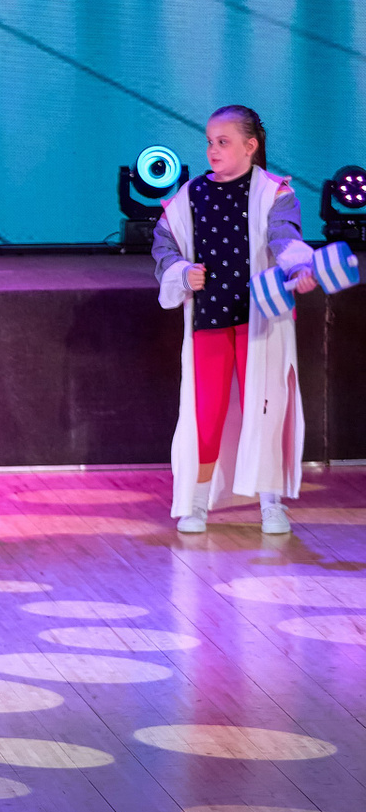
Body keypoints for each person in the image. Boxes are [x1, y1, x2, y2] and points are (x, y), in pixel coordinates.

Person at [151, 105, 313, 536]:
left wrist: (300, 266)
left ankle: (271, 504)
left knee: (266, 407)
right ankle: (197, 502)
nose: (213, 150)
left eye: (223, 142)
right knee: (206, 413)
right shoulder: (190, 196)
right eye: (209, 141)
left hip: (260, 320)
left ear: (250, 146)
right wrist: (182, 272)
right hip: (210, 319)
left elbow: (285, 237)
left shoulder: (274, 193)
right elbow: (164, 244)